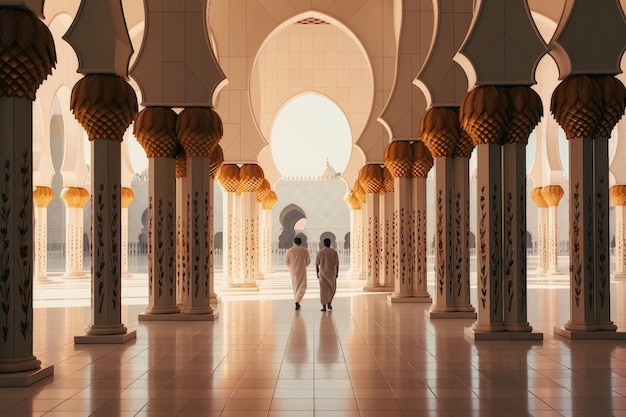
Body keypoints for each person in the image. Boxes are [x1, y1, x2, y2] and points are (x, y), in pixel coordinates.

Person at [284, 237, 310, 310]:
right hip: (301, 270)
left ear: (294, 243)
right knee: (302, 285)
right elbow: (308, 261)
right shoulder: (305, 251)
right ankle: (297, 301)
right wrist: (302, 264)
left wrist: (292, 266)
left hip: (293, 270)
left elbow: (286, 262)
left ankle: (296, 299)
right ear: (301, 242)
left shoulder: (289, 251)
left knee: (295, 285)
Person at [316, 238, 339, 311]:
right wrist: (337, 272)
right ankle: (329, 303)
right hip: (331, 273)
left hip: (322, 273)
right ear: (330, 243)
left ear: (323, 243)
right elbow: (337, 264)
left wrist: (317, 273)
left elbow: (317, 264)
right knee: (332, 288)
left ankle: (324, 306)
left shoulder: (320, 252)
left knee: (323, 290)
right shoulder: (334, 252)